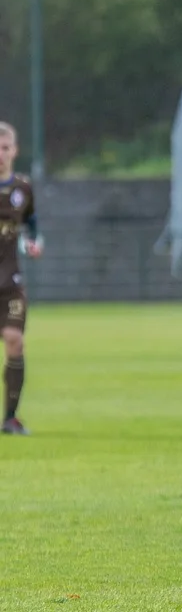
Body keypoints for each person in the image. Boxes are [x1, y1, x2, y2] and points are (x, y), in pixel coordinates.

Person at [0, 122, 43, 436]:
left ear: (14, 151)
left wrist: (36, 242)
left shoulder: (23, 188)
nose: (0, 154)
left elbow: (32, 223)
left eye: (5, 148)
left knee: (15, 340)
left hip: (10, 282)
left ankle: (10, 418)